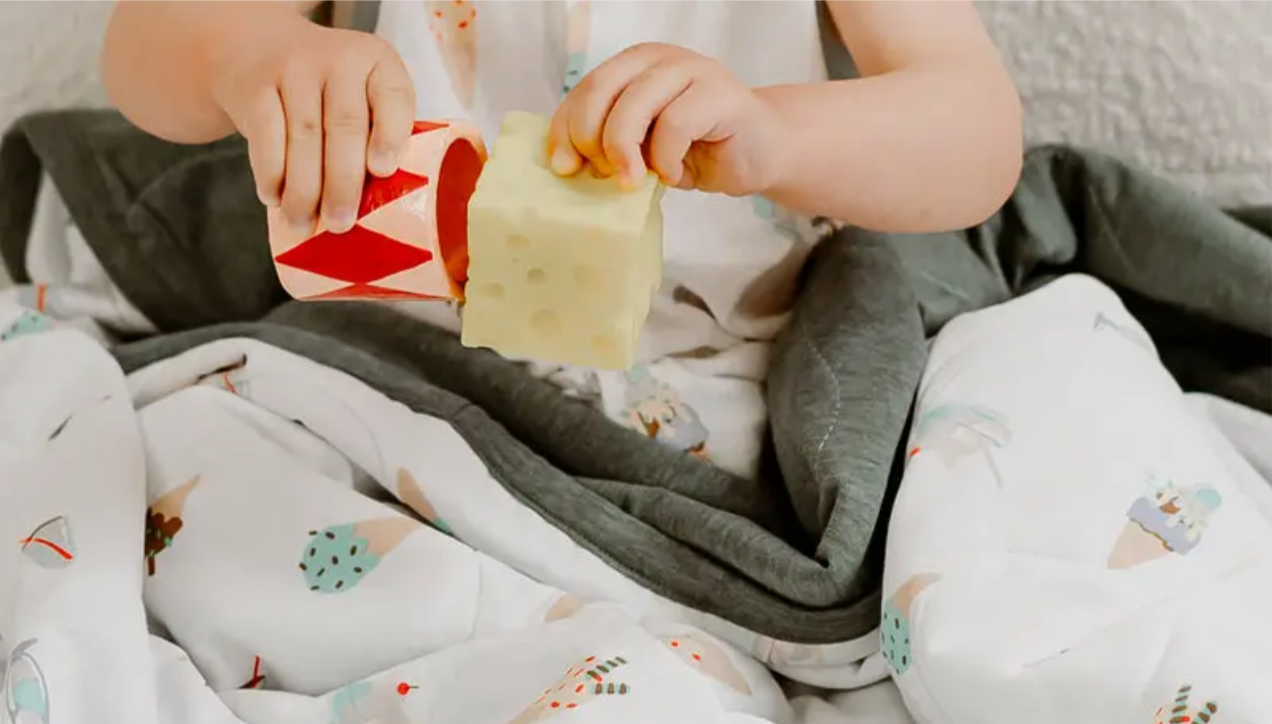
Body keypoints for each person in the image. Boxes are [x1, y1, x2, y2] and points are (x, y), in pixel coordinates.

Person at [101, 1, 1021, 476]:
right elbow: (145, 46)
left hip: (720, 369)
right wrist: (247, 54)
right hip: (396, 365)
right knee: (187, 488)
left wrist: (779, 134)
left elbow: (976, 133)